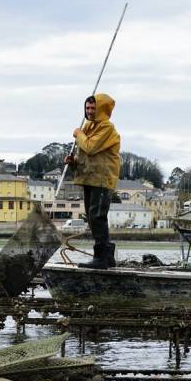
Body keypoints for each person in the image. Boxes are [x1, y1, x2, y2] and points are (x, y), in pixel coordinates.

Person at [64, 93, 121, 268]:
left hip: (102, 180)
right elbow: (87, 157)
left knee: (97, 217)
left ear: (101, 109)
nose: (89, 111)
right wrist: (73, 163)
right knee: (92, 217)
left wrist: (78, 133)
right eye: (87, 108)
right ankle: (108, 256)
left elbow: (90, 147)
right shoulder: (89, 127)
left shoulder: (107, 128)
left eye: (93, 108)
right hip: (90, 179)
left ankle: (101, 258)